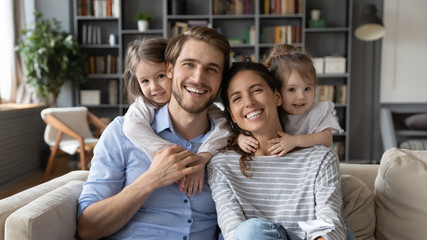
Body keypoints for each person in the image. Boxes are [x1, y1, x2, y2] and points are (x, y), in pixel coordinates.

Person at [77, 26, 231, 240]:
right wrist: (152, 178)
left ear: (221, 80)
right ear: (170, 69)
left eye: (211, 69)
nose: (198, 78)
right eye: (189, 64)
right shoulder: (121, 133)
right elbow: (87, 229)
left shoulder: (231, 143)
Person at [207, 62, 346, 240]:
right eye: (237, 98)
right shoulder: (221, 166)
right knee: (249, 232)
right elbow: (233, 232)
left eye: (256, 90)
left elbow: (330, 227)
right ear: (232, 115)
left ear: (277, 97)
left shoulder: (321, 159)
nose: (249, 102)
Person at [122, 38, 230, 196]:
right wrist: (176, 157)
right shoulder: (143, 106)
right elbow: (132, 127)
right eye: (145, 81)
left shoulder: (206, 108)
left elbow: (225, 125)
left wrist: (202, 157)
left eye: (160, 76)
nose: (154, 88)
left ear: (169, 70)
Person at [236, 44, 343, 157]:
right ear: (277, 94)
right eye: (292, 89)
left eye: (307, 89)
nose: (301, 96)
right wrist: (240, 139)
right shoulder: (271, 112)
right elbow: (249, 128)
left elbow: (327, 138)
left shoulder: (316, 112)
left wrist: (295, 141)